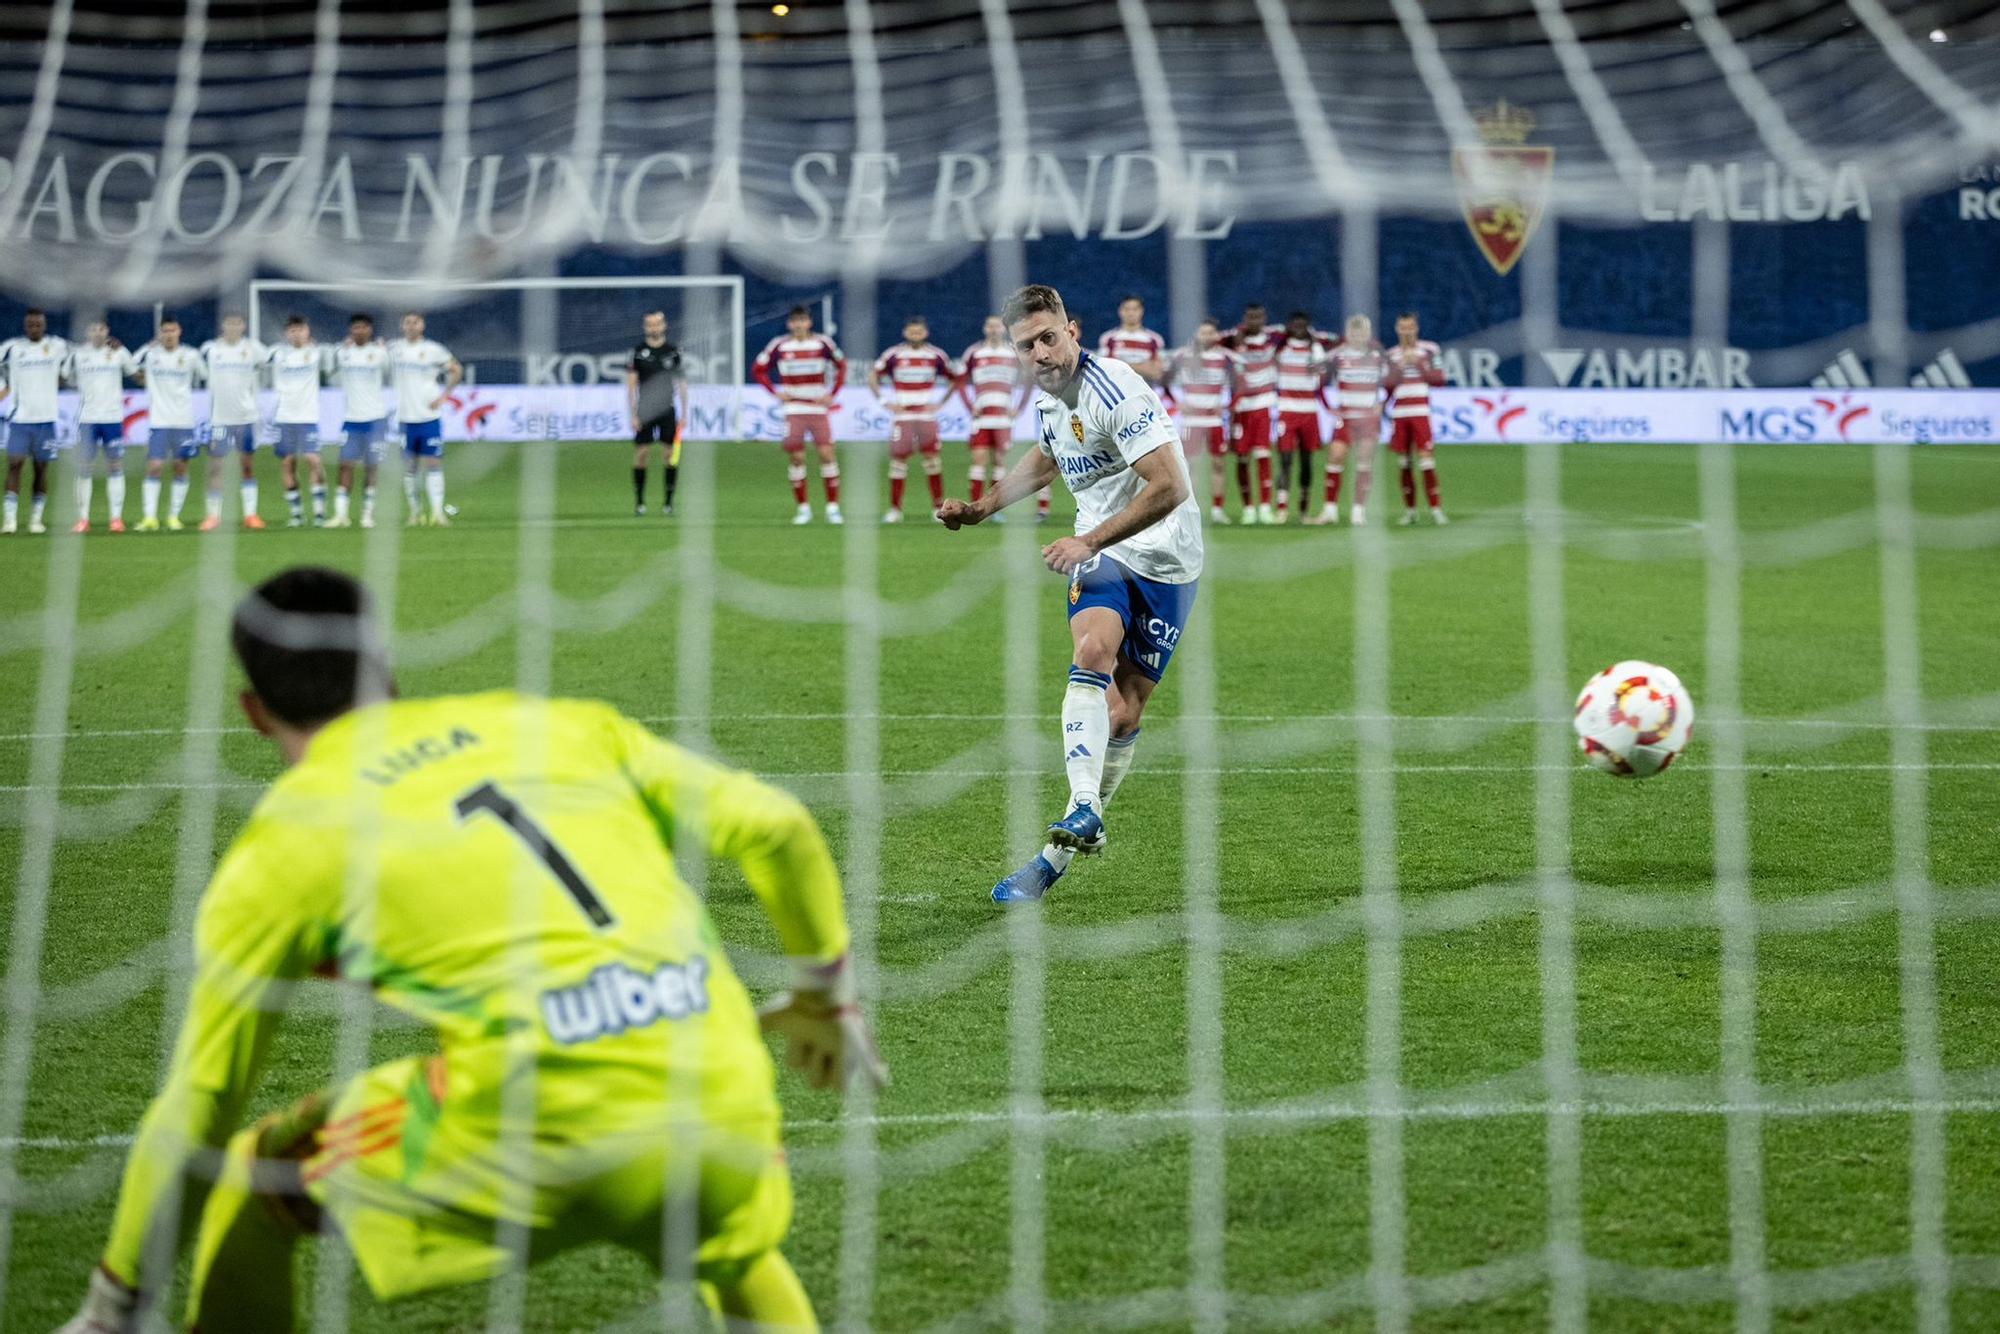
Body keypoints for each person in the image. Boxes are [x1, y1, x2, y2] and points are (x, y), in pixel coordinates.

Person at [55, 565, 885, 1334]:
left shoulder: (282, 844)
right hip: (718, 1085)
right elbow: (779, 826)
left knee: (256, 1175)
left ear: (254, 710)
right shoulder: (553, 724)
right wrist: (824, 994)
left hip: (540, 1115)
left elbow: (202, 1098)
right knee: (728, 1244)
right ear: (387, 665)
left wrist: (112, 1306)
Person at [936, 284, 1202, 905]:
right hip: (1106, 556)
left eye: (1049, 337)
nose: (1041, 353)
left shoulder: (1117, 389)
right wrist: (981, 508)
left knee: (1125, 715)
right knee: (1091, 654)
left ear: (1073, 330)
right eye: (1026, 346)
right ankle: (1084, 809)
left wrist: (1088, 539)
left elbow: (1170, 487)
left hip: (1169, 561)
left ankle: (1054, 857)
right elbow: (1050, 458)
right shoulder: (1051, 402)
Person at [752, 307, 845, 525]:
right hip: (793, 408)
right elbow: (758, 369)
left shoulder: (823, 344)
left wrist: (832, 393)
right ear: (789, 324)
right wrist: (775, 392)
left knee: (827, 454)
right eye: (795, 321)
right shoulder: (780, 345)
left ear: (809, 322)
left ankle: (832, 508)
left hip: (817, 408)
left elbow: (842, 365)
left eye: (802, 320)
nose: (799, 325)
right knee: (797, 457)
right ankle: (803, 509)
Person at [868, 315, 958, 524]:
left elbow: (954, 379)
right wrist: (885, 401)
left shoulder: (935, 355)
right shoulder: (894, 354)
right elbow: (873, 376)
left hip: (926, 416)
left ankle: (938, 508)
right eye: (911, 331)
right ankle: (895, 510)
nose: (915, 334)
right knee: (898, 461)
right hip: (903, 416)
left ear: (925, 333)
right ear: (905, 332)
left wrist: (941, 403)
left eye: (919, 331)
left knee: (932, 461)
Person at [1311, 314, 1387, 526]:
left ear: (1367, 333)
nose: (1357, 336)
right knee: (1335, 456)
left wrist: (1383, 402)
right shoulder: (1338, 356)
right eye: (1354, 332)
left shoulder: (1378, 355)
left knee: (1364, 462)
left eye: (1361, 332)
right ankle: (1330, 510)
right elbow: (1318, 383)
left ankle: (1358, 511)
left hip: (1368, 419)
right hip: (1346, 418)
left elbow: (1393, 380)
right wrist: (1328, 407)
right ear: (1348, 333)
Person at [0, 307, 70, 535]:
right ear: (25, 325)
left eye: (38, 324)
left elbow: (81, 353)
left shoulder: (57, 346)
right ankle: (9, 520)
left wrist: (110, 345)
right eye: (31, 324)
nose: (34, 328)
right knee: (15, 464)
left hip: (46, 420)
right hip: (20, 419)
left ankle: (35, 520)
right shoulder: (13, 347)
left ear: (44, 325)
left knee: (41, 469)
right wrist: (3, 386)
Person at [388, 311, 461, 527]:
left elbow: (456, 369)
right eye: (407, 322)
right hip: (405, 418)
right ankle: (415, 513)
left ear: (422, 326)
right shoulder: (393, 349)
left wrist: (445, 396)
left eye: (415, 322)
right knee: (409, 466)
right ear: (402, 326)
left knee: (433, 463)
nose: (411, 326)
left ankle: (438, 513)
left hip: (429, 417)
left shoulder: (433, 350)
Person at [132, 317, 205, 533]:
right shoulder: (151, 354)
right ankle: (150, 517)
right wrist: (147, 345)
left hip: (184, 421)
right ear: (160, 333)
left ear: (179, 331)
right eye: (165, 331)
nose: (169, 334)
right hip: (159, 421)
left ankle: (174, 516)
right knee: (155, 466)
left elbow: (205, 375)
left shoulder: (190, 355)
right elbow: (130, 365)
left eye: (172, 330)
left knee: (180, 467)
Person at [1164, 318, 1240, 524]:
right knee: (1191, 465)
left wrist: (1226, 405)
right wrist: (1176, 401)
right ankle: (1191, 510)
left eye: (1210, 333)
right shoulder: (1182, 355)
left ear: (1216, 335)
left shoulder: (1225, 358)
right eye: (1202, 332)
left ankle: (1217, 509)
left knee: (1217, 464)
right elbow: (1165, 380)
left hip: (1214, 421)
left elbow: (1239, 385)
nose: (1206, 336)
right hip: (1191, 421)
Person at [200, 313, 269, 531]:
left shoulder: (254, 349)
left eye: (237, 324)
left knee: (247, 466)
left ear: (243, 326)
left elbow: (272, 360)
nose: (232, 327)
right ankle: (213, 516)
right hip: (220, 418)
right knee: (216, 467)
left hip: (245, 417)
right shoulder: (210, 349)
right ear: (222, 325)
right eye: (228, 323)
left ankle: (251, 515)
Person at [957, 314, 1027, 519]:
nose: (994, 329)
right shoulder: (974, 352)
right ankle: (974, 505)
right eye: (990, 325)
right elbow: (961, 381)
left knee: (1000, 462)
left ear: (1003, 329)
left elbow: (1028, 380)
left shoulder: (1013, 352)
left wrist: (1020, 406)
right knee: (979, 459)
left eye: (997, 326)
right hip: (982, 417)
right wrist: (970, 406)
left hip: (1004, 417)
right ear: (985, 328)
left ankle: (993, 509)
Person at [70, 321, 137, 532]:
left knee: (115, 466)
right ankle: (83, 519)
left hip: (112, 418)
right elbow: (66, 376)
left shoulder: (118, 352)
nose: (97, 333)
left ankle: (116, 519)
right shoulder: (78, 354)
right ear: (87, 332)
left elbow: (134, 372)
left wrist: (124, 348)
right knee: (84, 467)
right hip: (87, 419)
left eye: (101, 329)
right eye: (93, 329)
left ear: (107, 331)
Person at [1385, 312, 1449, 525]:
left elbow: (1440, 379)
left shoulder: (1430, 350)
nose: (1407, 332)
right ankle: (1410, 512)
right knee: (1404, 463)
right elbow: (1387, 385)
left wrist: (1419, 364)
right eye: (1403, 328)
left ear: (1417, 328)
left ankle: (1436, 509)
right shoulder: (1391, 354)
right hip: (1400, 414)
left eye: (1410, 327)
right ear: (1397, 329)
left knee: (1426, 460)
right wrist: (1400, 366)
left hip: (1420, 412)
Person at [1219, 303, 1280, 524]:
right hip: (1240, 406)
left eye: (1258, 317)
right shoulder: (1233, 338)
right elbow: (1209, 339)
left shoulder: (1274, 337)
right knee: (1242, 457)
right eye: (1250, 317)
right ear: (1245, 318)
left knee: (1263, 454)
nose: (1254, 321)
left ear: (1264, 318)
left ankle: (1265, 507)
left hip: (1263, 403)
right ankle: (1248, 509)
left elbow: (1303, 333)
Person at [328, 313, 389, 528]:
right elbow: (327, 368)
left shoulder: (380, 353)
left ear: (370, 330)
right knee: (345, 465)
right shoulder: (342, 353)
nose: (359, 331)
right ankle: (340, 515)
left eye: (363, 327)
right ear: (350, 330)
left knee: (373, 467)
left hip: (376, 419)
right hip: (352, 419)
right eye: (356, 327)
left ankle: (367, 515)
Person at [1271, 311, 1332, 524]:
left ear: (1308, 326)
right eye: (1294, 324)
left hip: (1308, 411)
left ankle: (1304, 512)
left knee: (1306, 462)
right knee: (1286, 459)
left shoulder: (1315, 348)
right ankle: (1281, 510)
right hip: (1287, 410)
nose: (1298, 328)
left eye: (1302, 324)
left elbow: (1322, 370)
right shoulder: (1281, 347)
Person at [627, 309, 689, 517]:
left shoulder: (672, 352)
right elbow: (631, 385)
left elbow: (681, 383)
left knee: (670, 455)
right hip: (645, 409)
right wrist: (633, 413)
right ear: (645, 328)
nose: (653, 328)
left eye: (657, 324)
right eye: (650, 325)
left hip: (667, 409)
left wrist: (685, 412)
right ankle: (640, 502)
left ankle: (668, 503)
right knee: (642, 454)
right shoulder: (638, 352)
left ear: (664, 326)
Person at [268, 315, 329, 527]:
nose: (296, 333)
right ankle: (297, 514)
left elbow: (339, 357)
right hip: (284, 418)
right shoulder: (276, 354)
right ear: (287, 333)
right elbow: (252, 359)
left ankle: (320, 513)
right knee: (288, 463)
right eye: (292, 330)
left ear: (307, 331)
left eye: (300, 329)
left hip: (308, 418)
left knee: (313, 460)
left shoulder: (316, 352)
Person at [1095, 294, 1167, 384]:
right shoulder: (1108, 339)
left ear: (1142, 311)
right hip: (1119, 391)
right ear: (1120, 311)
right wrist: (1143, 367)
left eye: (1135, 309)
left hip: (1145, 390)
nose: (1130, 313)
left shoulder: (1155, 339)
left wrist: (1121, 365)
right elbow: (1105, 370)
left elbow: (1157, 372)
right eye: (1126, 309)